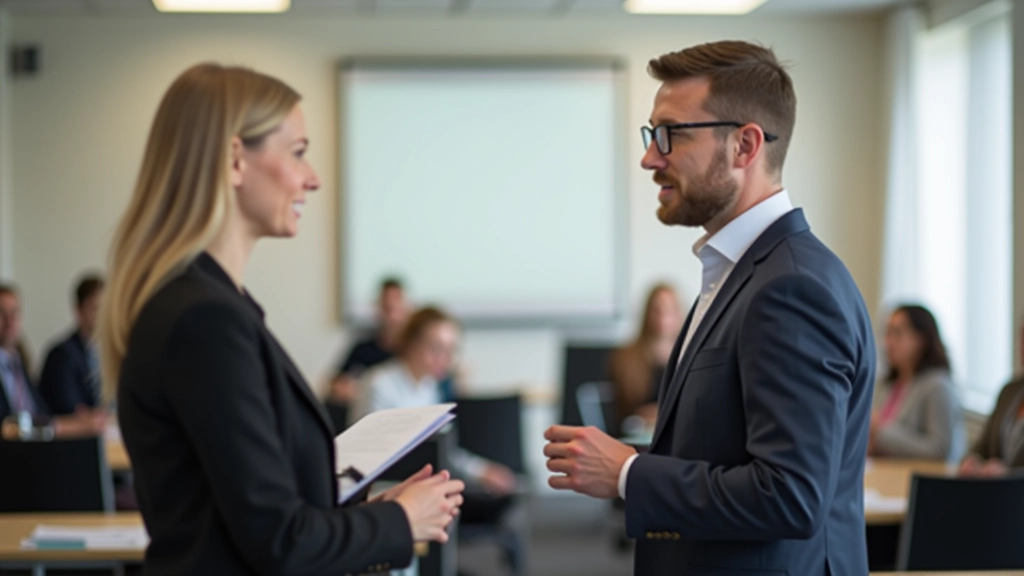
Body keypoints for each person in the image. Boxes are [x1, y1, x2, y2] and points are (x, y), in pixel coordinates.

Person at [98, 63, 464, 575]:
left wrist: (363, 519)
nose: (311, 178)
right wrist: (399, 522)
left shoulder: (207, 306)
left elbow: (238, 516)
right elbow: (277, 541)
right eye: (297, 152)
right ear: (234, 160)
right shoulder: (206, 321)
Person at [542, 41, 876, 576]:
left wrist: (629, 473)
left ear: (744, 146)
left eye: (671, 134)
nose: (650, 158)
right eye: (651, 134)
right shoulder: (740, 273)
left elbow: (790, 495)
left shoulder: (791, 288)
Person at [355, 306, 517, 498]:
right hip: (386, 490)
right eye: (436, 348)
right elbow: (368, 456)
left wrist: (482, 470)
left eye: (451, 350)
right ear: (411, 344)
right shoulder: (379, 384)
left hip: (422, 485)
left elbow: (444, 450)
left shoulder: (429, 387)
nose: (446, 359)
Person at [0, 283, 107, 437]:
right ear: (78, 310)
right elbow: (8, 426)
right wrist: (69, 425)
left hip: (37, 449)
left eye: (15, 313)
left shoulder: (16, 361)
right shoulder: (63, 354)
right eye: (1, 313)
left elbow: (41, 413)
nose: (10, 321)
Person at [869, 304, 965, 462]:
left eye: (897, 333)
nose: (888, 342)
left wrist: (879, 432)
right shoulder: (890, 384)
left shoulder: (937, 385)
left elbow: (939, 450)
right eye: (887, 333)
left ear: (921, 340)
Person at [607, 283, 682, 436]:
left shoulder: (689, 358)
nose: (663, 318)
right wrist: (642, 416)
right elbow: (616, 413)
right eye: (657, 310)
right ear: (647, 313)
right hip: (635, 437)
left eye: (669, 311)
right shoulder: (625, 358)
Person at [328, 277, 409, 405]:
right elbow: (335, 384)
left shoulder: (413, 351)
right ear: (378, 306)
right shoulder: (362, 348)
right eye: (387, 307)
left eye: (396, 307)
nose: (392, 315)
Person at [959, 319, 1024, 476]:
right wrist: (973, 460)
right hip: (995, 494)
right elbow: (982, 445)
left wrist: (1009, 474)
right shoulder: (1010, 390)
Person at [39, 274, 105, 415]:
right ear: (79, 310)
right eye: (95, 307)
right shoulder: (61, 355)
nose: (101, 314)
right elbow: (71, 411)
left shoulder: (105, 353)